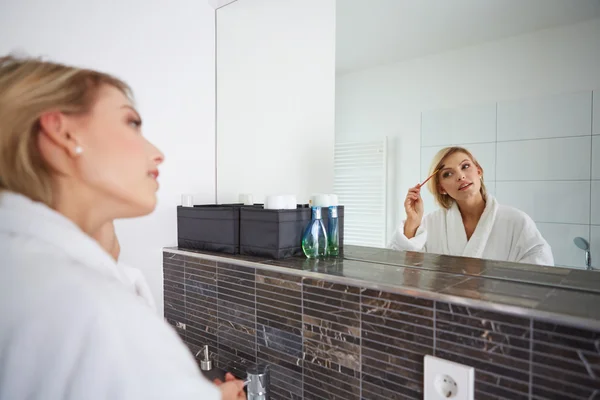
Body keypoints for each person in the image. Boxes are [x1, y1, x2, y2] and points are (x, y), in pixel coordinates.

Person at [0, 55, 245, 400]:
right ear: (63, 132)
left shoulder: (23, 269)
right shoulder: (90, 310)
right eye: (131, 122)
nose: (158, 153)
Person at [389, 146, 554, 266]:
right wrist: (413, 221)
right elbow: (400, 269)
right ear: (441, 188)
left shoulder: (517, 222)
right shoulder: (431, 224)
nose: (460, 176)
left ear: (479, 171)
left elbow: (541, 267)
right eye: (448, 174)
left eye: (465, 166)